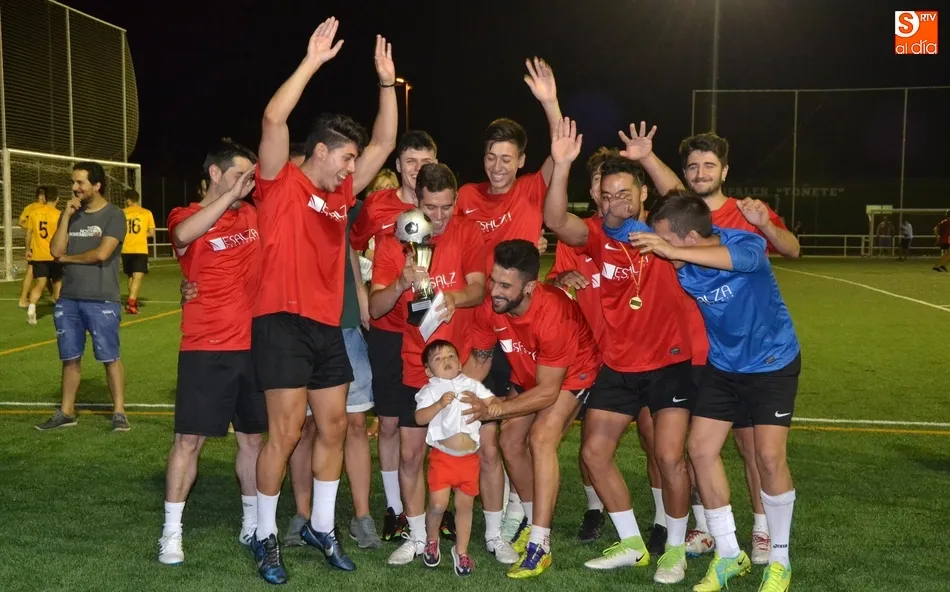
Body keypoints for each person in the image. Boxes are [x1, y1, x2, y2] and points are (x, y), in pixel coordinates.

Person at [248, 19, 398, 585]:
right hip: (280, 323)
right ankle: (266, 536)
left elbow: (385, 143)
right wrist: (311, 61)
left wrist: (386, 83)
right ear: (320, 152)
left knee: (334, 428)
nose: (353, 166)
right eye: (346, 157)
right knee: (285, 435)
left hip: (324, 327)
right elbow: (272, 118)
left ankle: (322, 527)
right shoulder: (280, 182)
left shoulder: (343, 193)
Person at [633, 128, 800, 561]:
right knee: (701, 449)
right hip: (702, 352)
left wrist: (764, 224)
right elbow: (663, 206)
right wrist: (647, 158)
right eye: (692, 166)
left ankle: (764, 532)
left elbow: (785, 249)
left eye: (709, 165)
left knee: (756, 450)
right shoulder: (680, 216)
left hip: (757, 355)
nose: (700, 172)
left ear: (724, 170)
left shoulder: (743, 220)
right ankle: (715, 537)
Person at [543, 118, 695, 584]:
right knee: (593, 453)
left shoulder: (666, 231)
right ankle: (631, 542)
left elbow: (685, 198)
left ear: (643, 194)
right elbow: (554, 221)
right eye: (608, 196)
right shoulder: (595, 236)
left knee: (669, 457)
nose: (615, 203)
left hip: (669, 363)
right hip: (618, 366)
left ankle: (675, 549)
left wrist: (648, 156)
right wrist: (563, 165)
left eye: (625, 194)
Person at [456, 57, 563, 547]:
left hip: (523, 332)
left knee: (510, 433)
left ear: (521, 160)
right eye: (491, 157)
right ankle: (496, 514)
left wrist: (549, 103)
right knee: (482, 429)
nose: (498, 166)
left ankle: (520, 514)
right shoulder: (464, 197)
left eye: (507, 158)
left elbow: (560, 153)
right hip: (475, 329)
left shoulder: (530, 190)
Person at [546, 147, 667, 550]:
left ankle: (665, 520)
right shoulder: (582, 236)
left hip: (647, 356)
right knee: (590, 447)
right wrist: (563, 280)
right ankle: (596, 508)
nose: (606, 191)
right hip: (595, 356)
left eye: (614, 185)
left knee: (658, 443)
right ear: (595, 191)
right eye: (600, 183)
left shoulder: (650, 232)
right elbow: (551, 284)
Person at [369, 163, 489, 567]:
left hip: (461, 363)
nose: (438, 217)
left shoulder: (469, 232)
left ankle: (485, 535)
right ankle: (418, 536)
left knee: (474, 451)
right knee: (410, 456)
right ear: (415, 201)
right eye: (430, 207)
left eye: (446, 207)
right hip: (415, 365)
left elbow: (478, 287)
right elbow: (375, 306)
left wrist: (452, 298)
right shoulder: (394, 242)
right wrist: (401, 283)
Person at [463, 239, 601, 579]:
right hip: (529, 373)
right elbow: (479, 363)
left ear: (529, 286)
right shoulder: (490, 306)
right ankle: (530, 515)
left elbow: (548, 393)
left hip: (572, 374)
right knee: (510, 442)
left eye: (505, 285)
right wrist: (450, 397)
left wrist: (494, 408)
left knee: (540, 439)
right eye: (493, 279)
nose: (494, 290)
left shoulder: (552, 312)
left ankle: (541, 544)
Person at [159, 140, 265, 565]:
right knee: (189, 440)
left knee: (253, 439)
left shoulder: (253, 214)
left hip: (255, 346)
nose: (248, 185)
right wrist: (227, 200)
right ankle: (171, 532)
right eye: (241, 175)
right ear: (216, 174)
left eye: (251, 178)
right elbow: (183, 237)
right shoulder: (184, 216)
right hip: (207, 346)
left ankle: (253, 520)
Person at [350, 130, 440, 542]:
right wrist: (360, 296)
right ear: (399, 165)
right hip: (388, 329)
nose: (418, 169)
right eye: (410, 162)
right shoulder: (379, 204)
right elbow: (349, 244)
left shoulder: (442, 205)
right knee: (388, 424)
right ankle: (393, 509)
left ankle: (429, 504)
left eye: (426, 161)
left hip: (434, 332)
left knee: (430, 422)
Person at [283, 181, 383, 551]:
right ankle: (303, 515)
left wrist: (362, 305)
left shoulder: (341, 208)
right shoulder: (289, 212)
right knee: (304, 427)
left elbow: (353, 260)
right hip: (303, 331)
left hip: (345, 328)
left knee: (355, 425)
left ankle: (362, 516)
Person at [36, 162, 129, 432]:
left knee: (109, 357)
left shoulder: (114, 215)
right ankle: (66, 412)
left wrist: (68, 259)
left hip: (102, 299)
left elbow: (102, 253)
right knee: (70, 357)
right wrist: (65, 216)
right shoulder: (72, 214)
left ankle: (119, 412)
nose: (75, 188)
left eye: (80, 183)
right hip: (68, 300)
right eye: (73, 182)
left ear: (97, 185)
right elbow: (55, 251)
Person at [414, 339, 499, 577]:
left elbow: (492, 401)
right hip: (443, 458)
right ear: (429, 371)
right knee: (438, 504)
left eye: (451, 356)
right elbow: (420, 418)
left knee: (465, 507)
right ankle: (432, 538)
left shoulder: (470, 384)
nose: (446, 361)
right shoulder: (430, 389)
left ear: (460, 363)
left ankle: (461, 551)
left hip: (470, 459)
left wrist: (492, 406)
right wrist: (439, 404)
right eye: (438, 359)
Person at [24, 189, 63, 325]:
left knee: (40, 284)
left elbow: (28, 233)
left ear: (45, 198)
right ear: (57, 198)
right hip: (54, 255)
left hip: (38, 255)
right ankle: (59, 312)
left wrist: (28, 249)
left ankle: (31, 307)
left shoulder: (34, 213)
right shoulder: (59, 215)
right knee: (57, 283)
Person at [121, 189, 156, 314]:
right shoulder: (146, 213)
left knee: (131, 276)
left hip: (125, 249)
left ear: (128, 200)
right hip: (139, 249)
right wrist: (141, 235)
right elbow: (151, 233)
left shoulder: (122, 213)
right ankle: (131, 303)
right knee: (138, 276)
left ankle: (132, 303)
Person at [17, 186, 48, 308]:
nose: (45, 197)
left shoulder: (33, 207)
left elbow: (20, 222)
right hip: (37, 244)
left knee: (47, 271)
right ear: (40, 196)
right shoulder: (34, 208)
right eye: (43, 195)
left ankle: (54, 296)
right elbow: (20, 222)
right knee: (31, 271)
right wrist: (33, 230)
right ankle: (23, 299)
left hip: (42, 244)